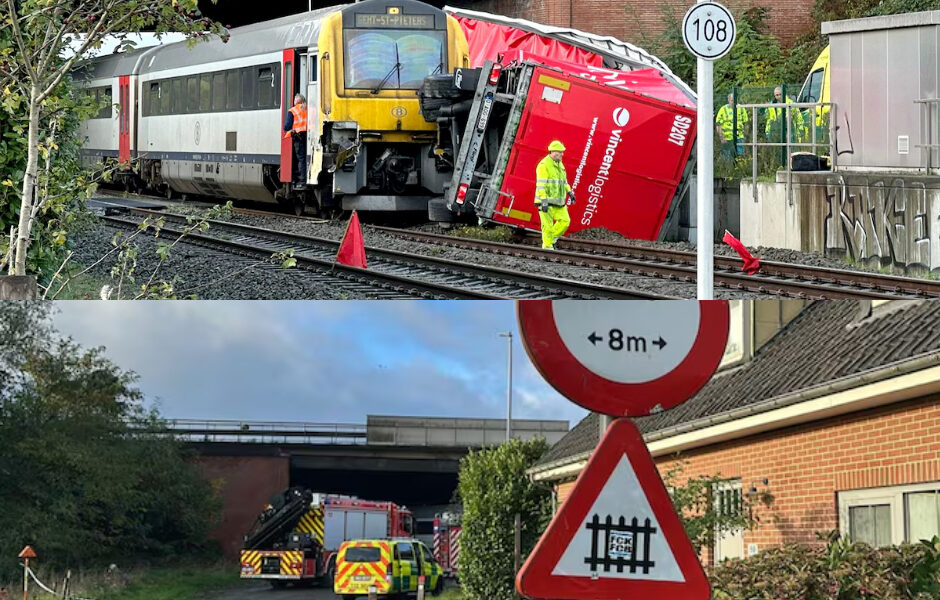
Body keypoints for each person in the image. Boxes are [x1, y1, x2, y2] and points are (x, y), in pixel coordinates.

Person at [535, 140, 575, 249]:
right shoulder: (544, 165)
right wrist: (543, 201)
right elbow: (541, 185)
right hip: (546, 202)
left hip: (559, 202)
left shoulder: (559, 164)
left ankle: (550, 239)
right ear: (553, 152)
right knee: (547, 226)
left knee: (565, 222)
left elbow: (564, 181)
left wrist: (569, 192)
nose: (562, 154)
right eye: (560, 152)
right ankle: (547, 249)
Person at [283, 93, 308, 186]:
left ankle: (302, 181)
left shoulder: (293, 111)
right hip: (309, 136)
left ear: (296, 101)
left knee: (301, 159)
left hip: (298, 137)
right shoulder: (309, 109)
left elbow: (287, 127)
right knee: (307, 157)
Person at [715, 93, 748, 158]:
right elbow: (718, 125)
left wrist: (745, 136)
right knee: (727, 158)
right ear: (728, 100)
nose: (733, 102)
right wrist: (722, 137)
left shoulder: (741, 108)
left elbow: (746, 123)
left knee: (740, 156)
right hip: (727, 138)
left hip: (739, 137)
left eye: (735, 100)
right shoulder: (723, 109)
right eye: (732, 100)